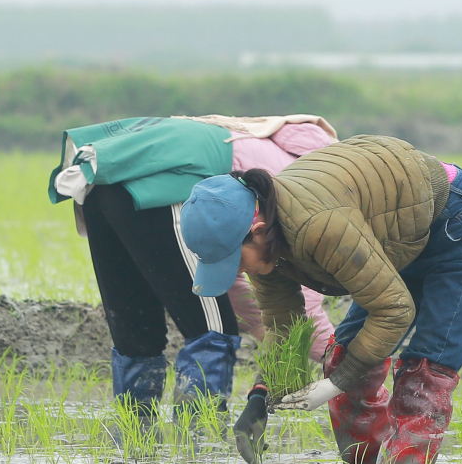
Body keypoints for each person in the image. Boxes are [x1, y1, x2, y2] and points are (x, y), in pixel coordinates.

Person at [178, 134, 462, 464]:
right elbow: (285, 325)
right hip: (399, 234)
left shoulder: (318, 226)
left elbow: (393, 310)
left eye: (235, 261)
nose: (238, 272)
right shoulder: (265, 246)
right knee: (342, 358)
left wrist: (337, 384)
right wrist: (260, 396)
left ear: (258, 230)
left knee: (423, 380)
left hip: (461, 226)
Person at [47, 113, 339, 414]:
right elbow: (297, 304)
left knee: (135, 328)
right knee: (213, 327)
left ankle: (135, 435)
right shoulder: (296, 184)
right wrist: (340, 359)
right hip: (159, 190)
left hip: (99, 183)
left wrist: (271, 340)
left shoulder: (249, 138)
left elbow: (237, 265)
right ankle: (200, 440)